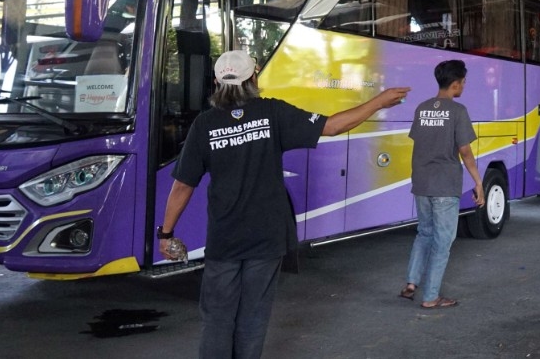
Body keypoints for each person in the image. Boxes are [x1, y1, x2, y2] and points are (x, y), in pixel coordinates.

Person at [158, 49, 410, 359]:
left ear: (216, 82)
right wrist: (378, 102)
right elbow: (331, 126)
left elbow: (183, 185)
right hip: (268, 237)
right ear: (254, 77)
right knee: (253, 317)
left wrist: (166, 233)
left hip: (225, 239)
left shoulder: (205, 124)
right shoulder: (272, 113)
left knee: (218, 318)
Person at [399, 59, 485, 308]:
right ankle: (431, 296)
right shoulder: (458, 111)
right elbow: (465, 151)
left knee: (424, 233)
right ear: (456, 83)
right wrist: (478, 182)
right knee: (443, 241)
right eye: (464, 82)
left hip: (422, 182)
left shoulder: (422, 108)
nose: (464, 86)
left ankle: (411, 283)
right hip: (445, 184)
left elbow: (420, 143)